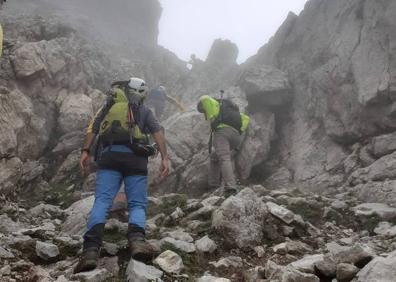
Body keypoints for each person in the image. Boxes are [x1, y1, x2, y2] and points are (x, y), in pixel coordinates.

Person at [74, 77, 169, 273]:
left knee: (102, 201)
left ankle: (91, 250)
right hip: (135, 160)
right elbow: (158, 132)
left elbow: (93, 128)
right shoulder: (144, 110)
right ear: (140, 93)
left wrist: (85, 151)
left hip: (109, 157)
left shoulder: (108, 108)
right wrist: (165, 158)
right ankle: (137, 242)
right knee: (137, 203)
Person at [197, 94, 249, 197]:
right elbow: (246, 118)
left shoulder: (213, 104)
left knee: (224, 158)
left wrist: (212, 119)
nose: (204, 113)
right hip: (236, 137)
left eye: (202, 110)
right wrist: (239, 131)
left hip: (222, 133)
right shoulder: (231, 110)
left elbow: (204, 98)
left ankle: (231, 188)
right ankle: (214, 185)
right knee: (214, 157)